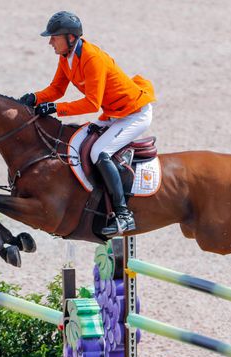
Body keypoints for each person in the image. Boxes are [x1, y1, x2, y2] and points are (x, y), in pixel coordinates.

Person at [20, 11, 155, 237]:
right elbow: (56, 90)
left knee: (99, 153)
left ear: (70, 38)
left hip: (134, 114)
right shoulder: (66, 58)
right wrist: (34, 98)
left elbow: (92, 103)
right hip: (113, 113)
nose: (50, 42)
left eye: (54, 37)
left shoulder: (92, 58)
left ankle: (123, 215)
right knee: (76, 142)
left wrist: (55, 108)